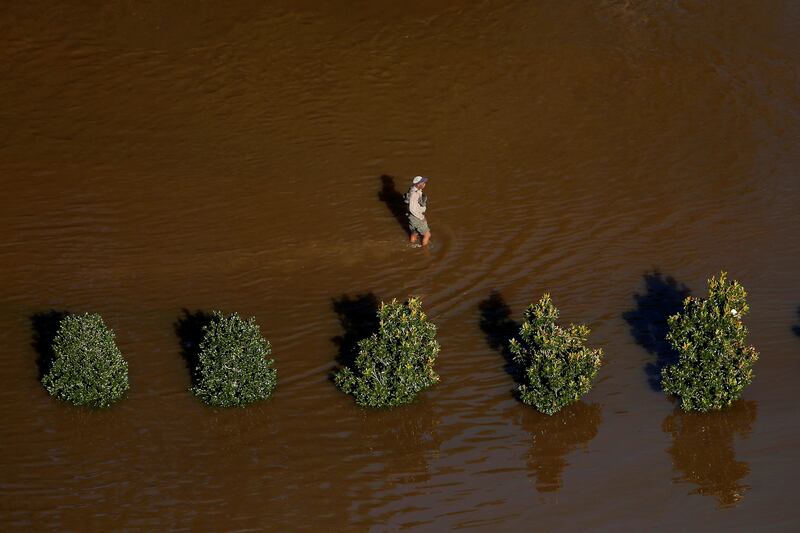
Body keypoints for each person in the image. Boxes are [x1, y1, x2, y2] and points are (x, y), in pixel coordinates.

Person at [406, 175, 431, 247]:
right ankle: (425, 251)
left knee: (414, 233)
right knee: (427, 234)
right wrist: (421, 217)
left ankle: (411, 245)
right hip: (416, 217)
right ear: (418, 184)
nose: (424, 184)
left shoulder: (412, 189)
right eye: (423, 183)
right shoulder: (415, 194)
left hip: (411, 217)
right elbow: (412, 209)